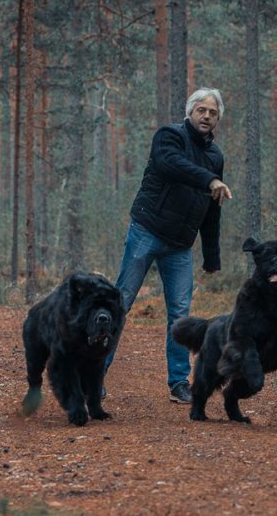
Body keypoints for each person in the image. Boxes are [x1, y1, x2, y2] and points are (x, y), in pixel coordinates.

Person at [104, 88, 233, 403]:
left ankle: (179, 382)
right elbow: (171, 165)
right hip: (146, 230)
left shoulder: (216, 156)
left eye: (212, 112)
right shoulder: (169, 137)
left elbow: (211, 209)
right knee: (119, 303)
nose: (206, 116)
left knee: (180, 314)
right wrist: (209, 180)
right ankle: (94, 375)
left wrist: (212, 256)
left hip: (180, 245)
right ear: (190, 111)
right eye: (201, 110)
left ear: (218, 119)